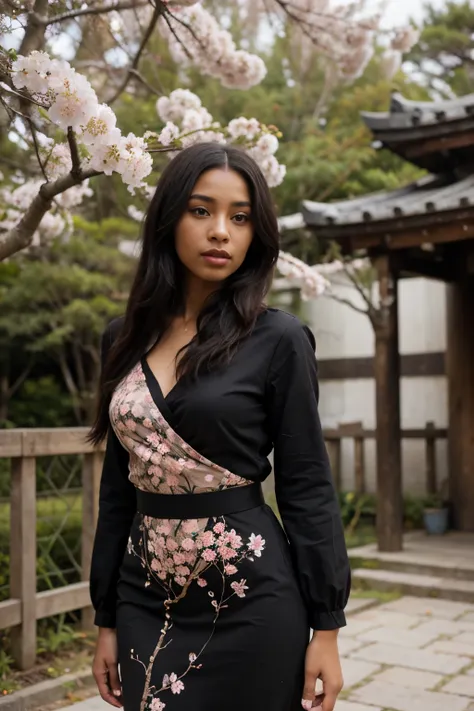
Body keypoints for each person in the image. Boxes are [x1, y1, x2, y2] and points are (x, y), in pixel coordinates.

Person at [88, 141, 350, 711]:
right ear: (168, 217)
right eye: (201, 211)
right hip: (143, 598)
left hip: (252, 601)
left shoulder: (278, 340)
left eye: (240, 217)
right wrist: (105, 616)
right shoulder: (122, 339)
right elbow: (117, 492)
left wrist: (326, 628)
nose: (221, 233)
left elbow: (306, 484)